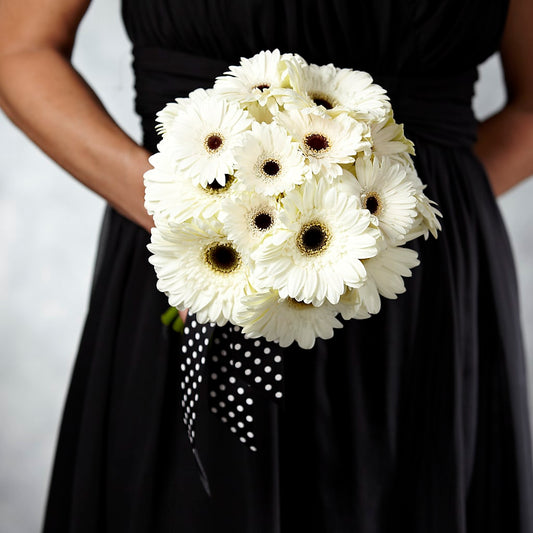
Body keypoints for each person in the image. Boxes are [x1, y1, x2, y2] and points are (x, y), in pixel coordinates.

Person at [1, 0, 533, 531]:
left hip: (421, 290)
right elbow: (18, 50)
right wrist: (199, 217)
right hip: (199, 267)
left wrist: (385, 214)